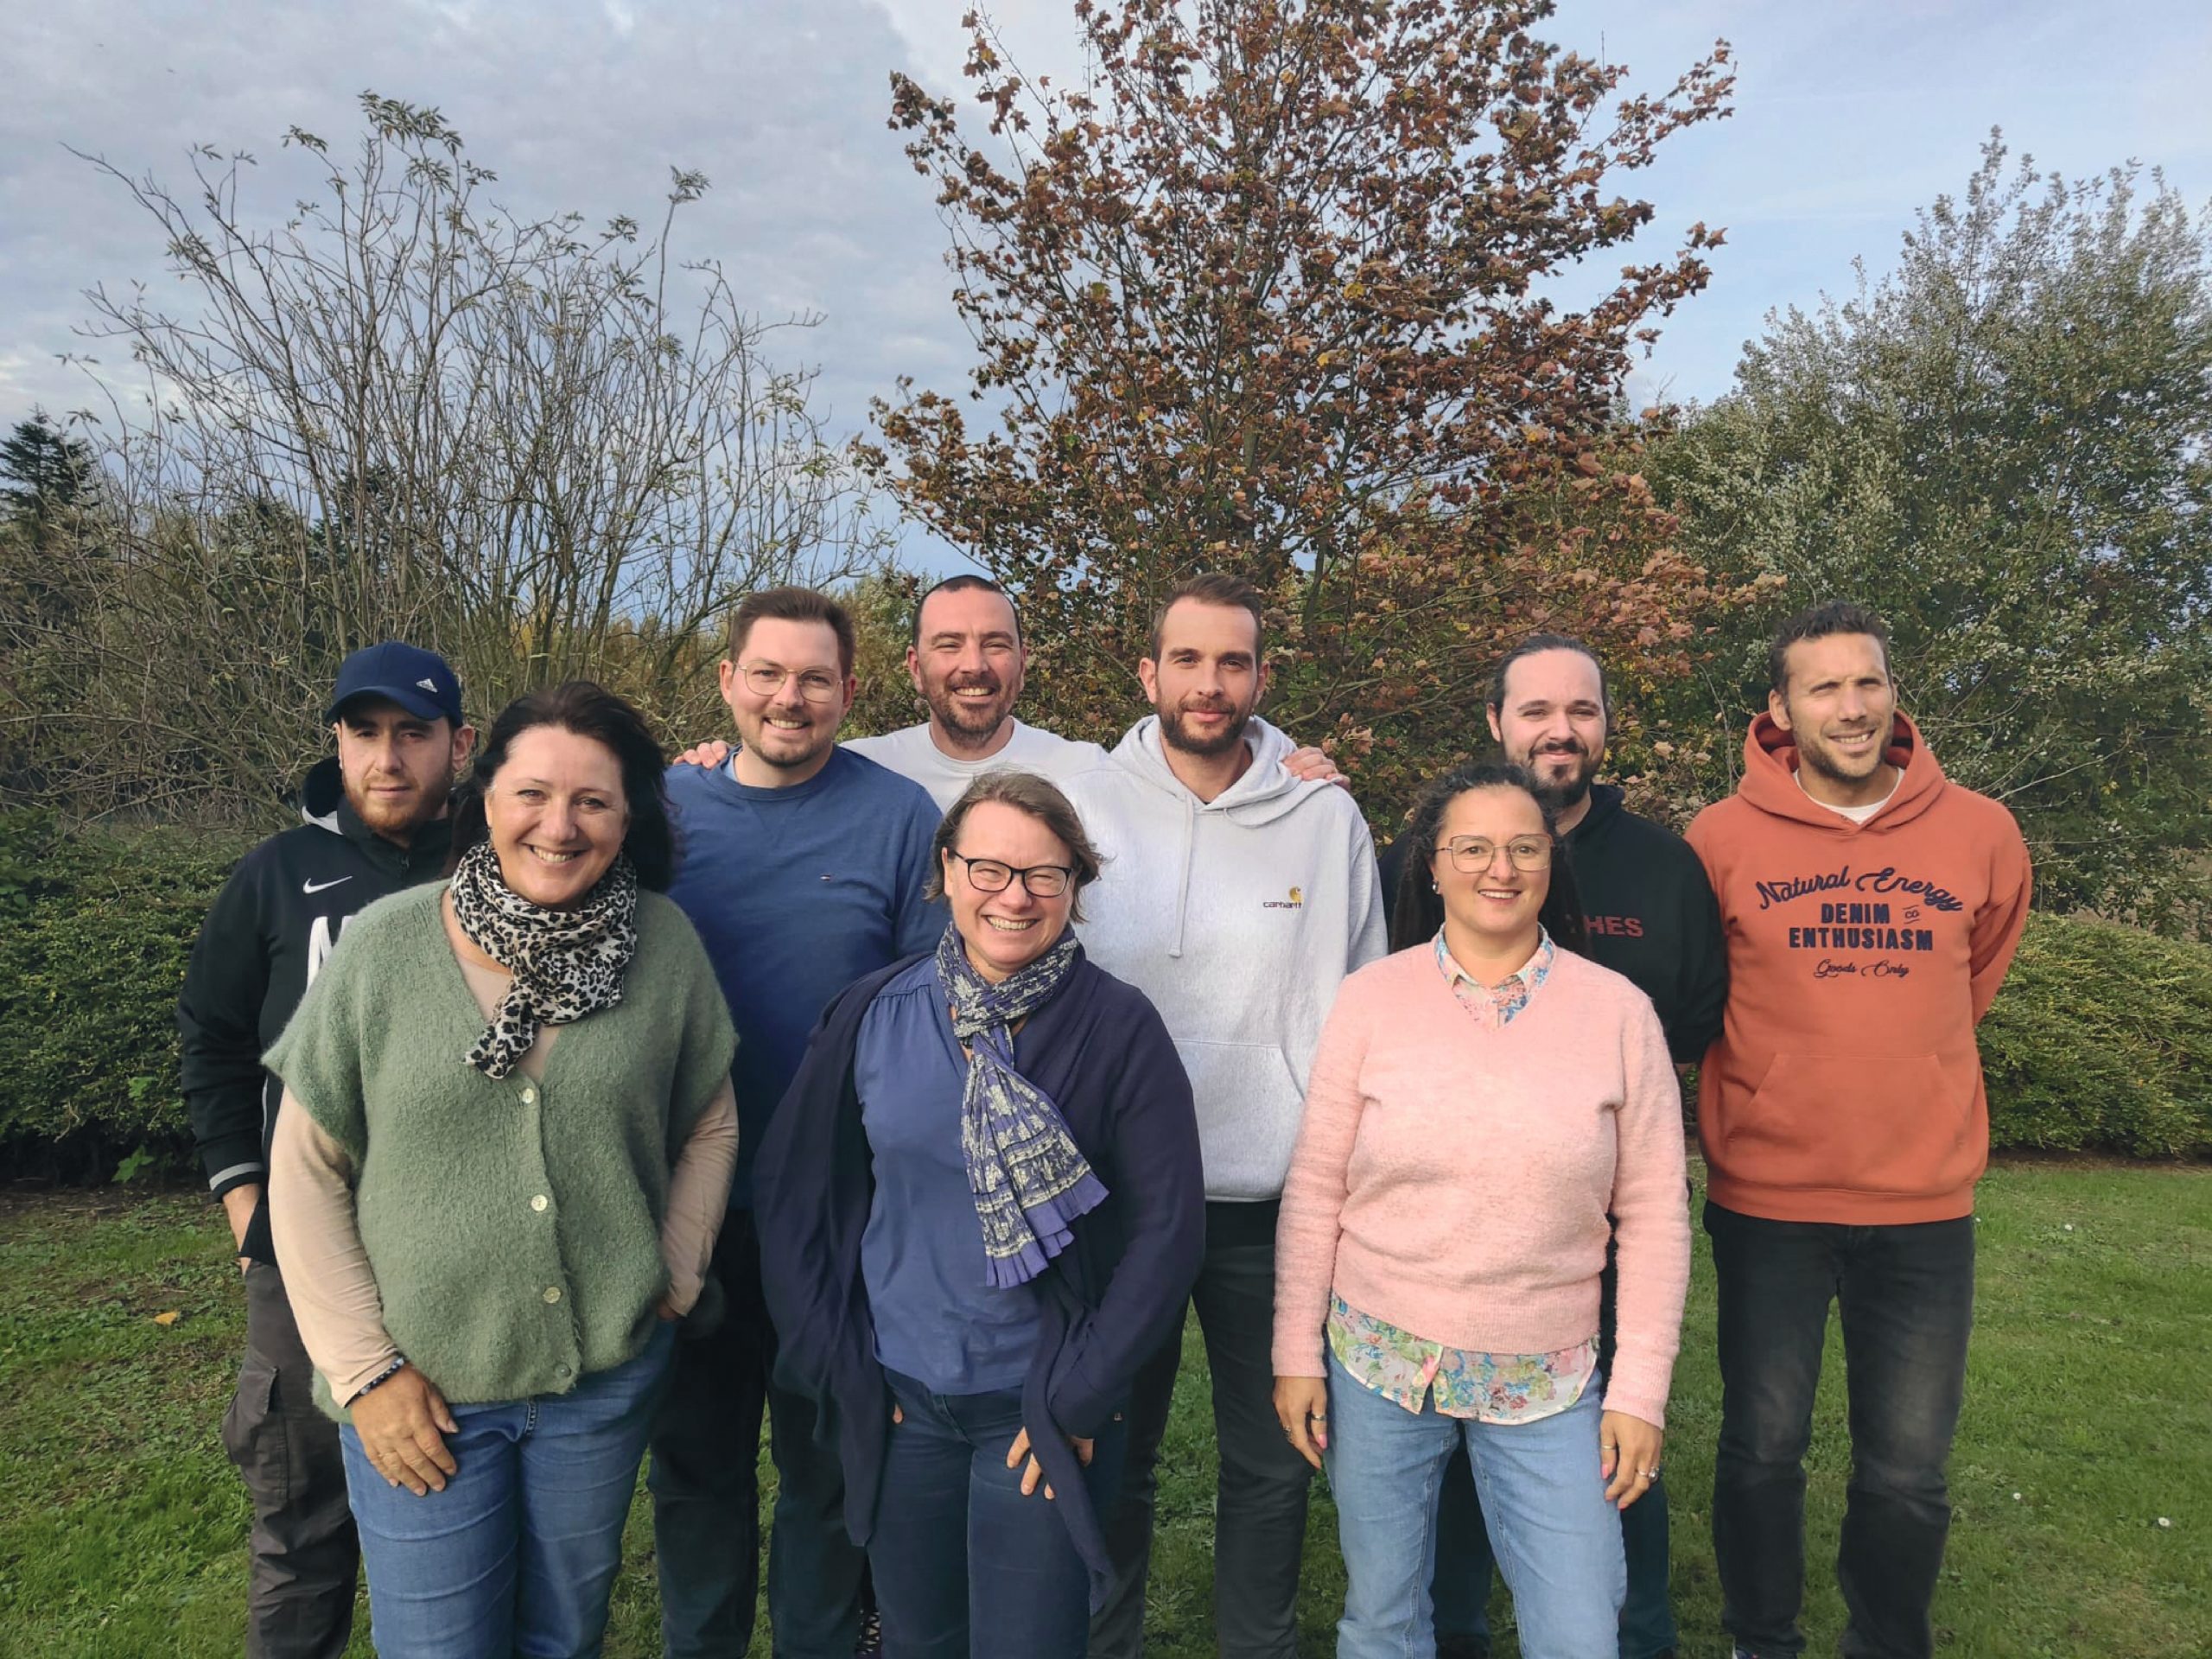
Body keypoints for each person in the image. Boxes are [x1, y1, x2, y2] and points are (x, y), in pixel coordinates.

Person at [262, 680, 741, 1657]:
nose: (559, 827)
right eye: (532, 794)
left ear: (627, 820)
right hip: (421, 1391)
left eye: (593, 801)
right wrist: (365, 1375)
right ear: (484, 800)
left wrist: (676, 1270)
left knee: (563, 1638)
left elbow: (710, 1122)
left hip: (599, 1385)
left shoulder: (665, 950)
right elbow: (306, 1171)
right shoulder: (386, 948)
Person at [755, 771, 1207, 1659]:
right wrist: (840, 1366)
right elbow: (794, 1201)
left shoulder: (1119, 1029)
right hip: (901, 1398)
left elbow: (1167, 1232)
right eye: (989, 869)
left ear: (1075, 886)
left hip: (1036, 1408)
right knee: (918, 1639)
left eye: (1044, 874)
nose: (1014, 896)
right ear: (947, 871)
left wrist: (1080, 1398)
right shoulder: (873, 1014)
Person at [1273, 760, 1692, 1659]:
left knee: (1582, 1628)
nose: (1498, 869)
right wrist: (1294, 1354)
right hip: (1378, 1360)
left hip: (1547, 1375)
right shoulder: (1370, 1001)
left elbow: (1657, 1218)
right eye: (1471, 848)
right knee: (1383, 1620)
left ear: (1550, 862)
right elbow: (1315, 1191)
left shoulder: (1618, 1015)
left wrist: (1639, 1393)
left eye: (1523, 848)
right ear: (1432, 864)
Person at [1686, 601, 2031, 1659]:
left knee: (1908, 1469)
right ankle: (1761, 1640)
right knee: (1761, 1449)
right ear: (1780, 708)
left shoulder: (1981, 832)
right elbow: (1706, 992)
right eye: (1824, 687)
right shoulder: (1717, 839)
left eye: (1867, 681)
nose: (1850, 706)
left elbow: (1971, 981)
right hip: (1769, 1200)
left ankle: (1885, 1642)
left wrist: (1905, 1069)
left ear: (1893, 692)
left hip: (1923, 1205)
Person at [1379, 634, 1726, 1659]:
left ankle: (1632, 1633)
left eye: (1581, 710)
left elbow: (1694, 1017)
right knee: (1447, 1451)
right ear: (1496, 722)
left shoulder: (1664, 867)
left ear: (1605, 726)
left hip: (1603, 1222)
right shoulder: (1421, 856)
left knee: (1618, 1440)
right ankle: (1456, 1629)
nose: (1559, 730)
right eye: (1535, 710)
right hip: (1453, 1234)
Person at [1065, 572, 1389, 1659]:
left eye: (1233, 662)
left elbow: (1365, 1005)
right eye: (1188, 660)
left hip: (1272, 1199)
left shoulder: (1324, 817)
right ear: (1147, 673)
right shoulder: (1079, 801)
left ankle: (1259, 1644)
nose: (1209, 684)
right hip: (1115, 1198)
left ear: (1261, 677)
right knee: (1110, 1447)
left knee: (1271, 1457)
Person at [653, 585, 946, 1658]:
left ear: (849, 693)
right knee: (696, 1468)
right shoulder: (661, 811)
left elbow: (927, 1014)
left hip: (836, 1212)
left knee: (826, 1469)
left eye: (815, 678)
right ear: (727, 680)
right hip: (685, 1204)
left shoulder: (901, 817)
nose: (790, 697)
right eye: (768, 674)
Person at [177, 640, 473, 1659]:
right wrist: (242, 1200)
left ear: (457, 745)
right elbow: (212, 1038)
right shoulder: (277, 875)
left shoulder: (499, 866)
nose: (388, 757)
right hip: (304, 1250)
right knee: (301, 1524)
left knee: (453, 1495)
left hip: (460, 1250)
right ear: (337, 744)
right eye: (364, 733)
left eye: (413, 733)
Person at [689, 571, 1342, 809]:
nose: (974, 665)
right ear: (914, 666)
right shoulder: (858, 770)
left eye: (996, 644)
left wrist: (1279, 769)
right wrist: (713, 766)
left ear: (1024, 664)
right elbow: (770, 776)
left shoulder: (1092, 774)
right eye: (950, 645)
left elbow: (1196, 787)